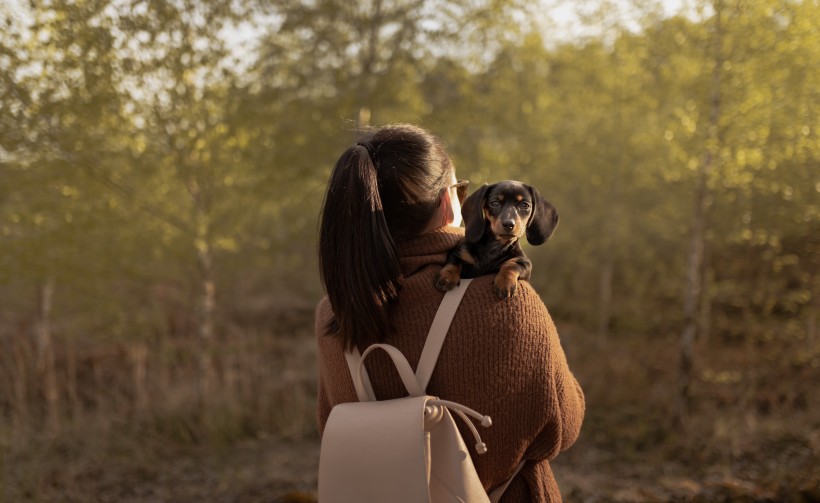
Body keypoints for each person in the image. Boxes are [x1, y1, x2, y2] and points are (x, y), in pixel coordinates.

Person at [315, 123, 585, 502]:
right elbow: (563, 424)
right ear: (448, 202)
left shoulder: (335, 312)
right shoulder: (509, 301)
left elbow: (331, 426)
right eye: (462, 191)